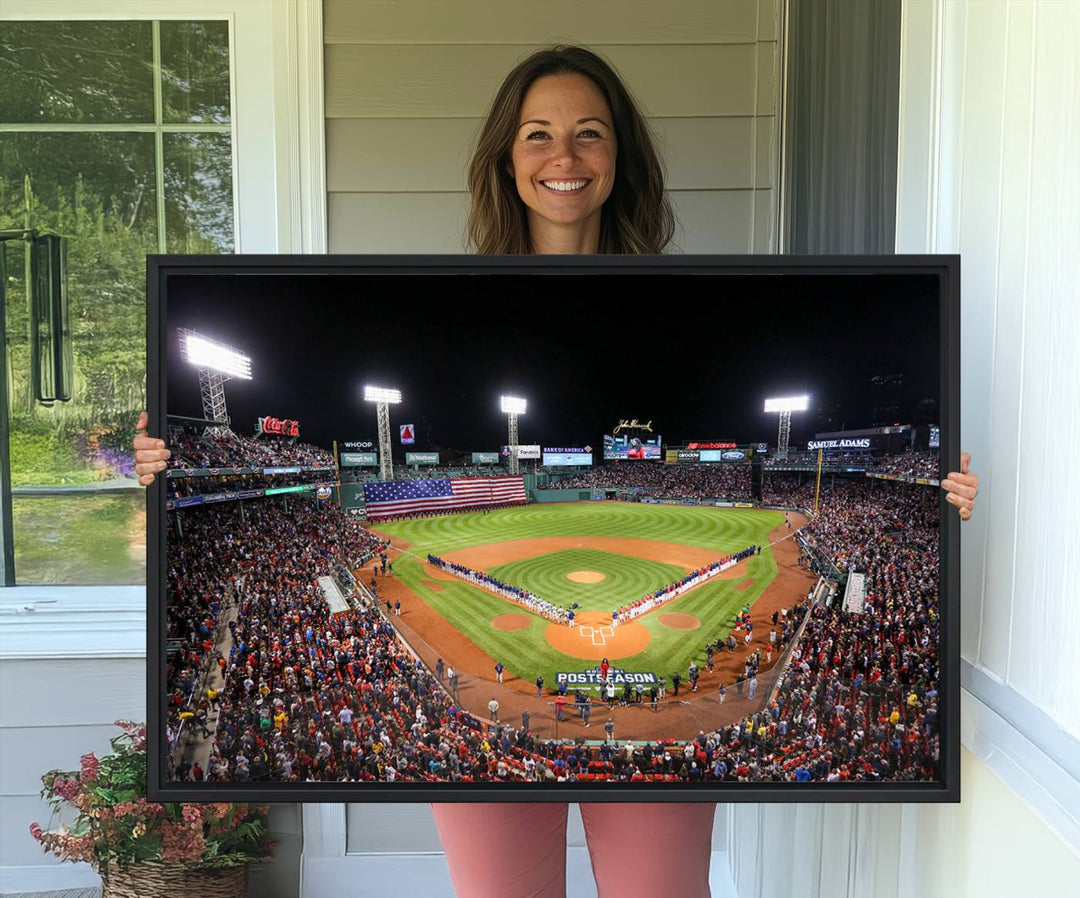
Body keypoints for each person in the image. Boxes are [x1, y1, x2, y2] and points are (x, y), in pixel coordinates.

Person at [133, 43, 980, 898]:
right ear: (506, 157)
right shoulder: (453, 300)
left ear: (621, 158)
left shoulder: (671, 295)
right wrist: (162, 469)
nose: (563, 157)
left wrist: (944, 502)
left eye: (589, 134)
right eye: (537, 134)